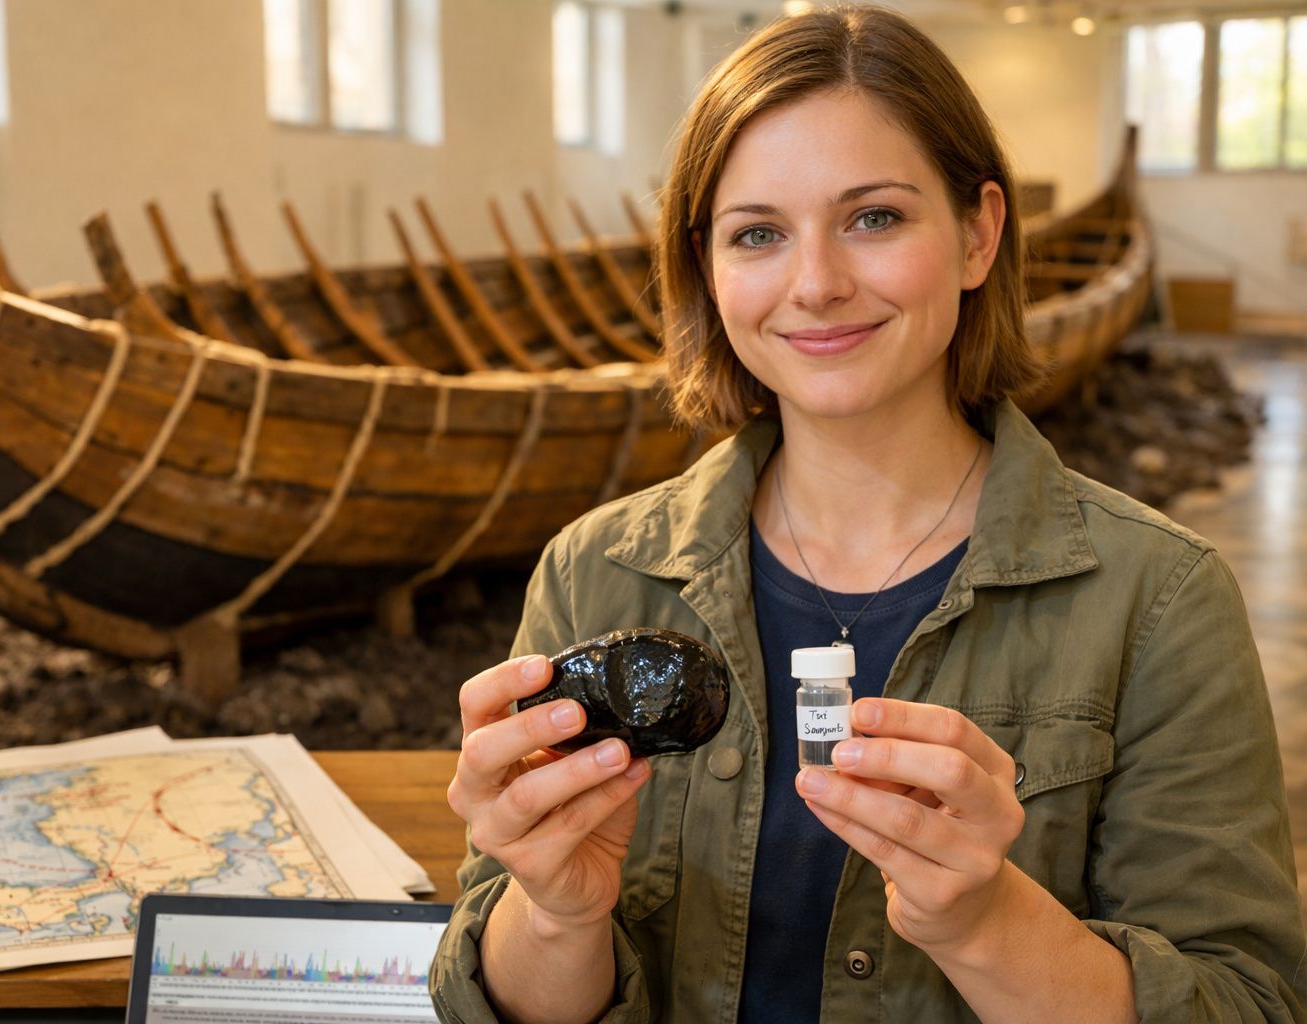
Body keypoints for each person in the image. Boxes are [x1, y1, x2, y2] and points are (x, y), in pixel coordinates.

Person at [429, 6, 1306, 1023]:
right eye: (758, 233)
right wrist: (554, 913)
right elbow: (500, 996)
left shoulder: (1159, 600)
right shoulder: (596, 571)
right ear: (708, 273)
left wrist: (986, 920)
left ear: (979, 233)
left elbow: (1251, 1001)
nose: (817, 284)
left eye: (874, 218)